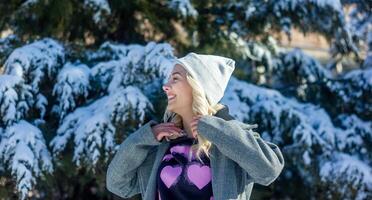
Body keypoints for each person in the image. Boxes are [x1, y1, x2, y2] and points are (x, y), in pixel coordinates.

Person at [106, 52, 285, 200]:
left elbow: (269, 170)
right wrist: (143, 137)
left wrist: (213, 128)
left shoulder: (231, 139)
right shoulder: (161, 145)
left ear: (197, 86)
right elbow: (117, 183)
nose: (165, 86)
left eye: (175, 79)